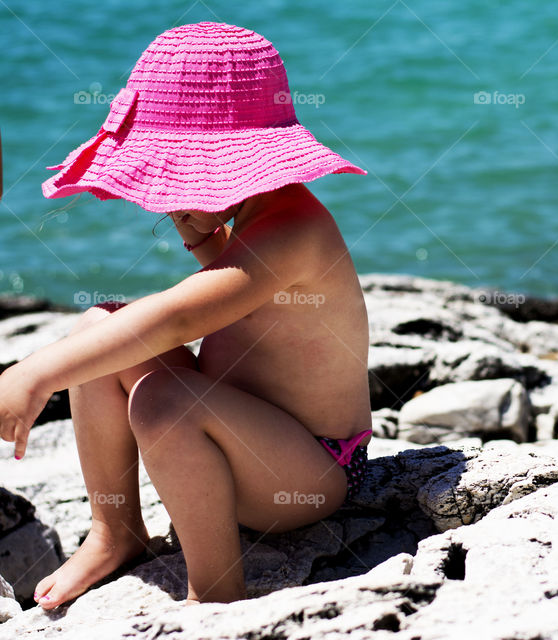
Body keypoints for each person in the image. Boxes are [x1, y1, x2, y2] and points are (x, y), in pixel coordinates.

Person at [0, 22, 372, 608]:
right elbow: (244, 301)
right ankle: (114, 531)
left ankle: (216, 593)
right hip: (248, 438)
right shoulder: (256, 221)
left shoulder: (296, 231)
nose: (171, 191)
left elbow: (175, 321)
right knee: (102, 325)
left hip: (309, 473)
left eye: (183, 175)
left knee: (162, 399)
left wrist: (34, 374)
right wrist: (204, 239)